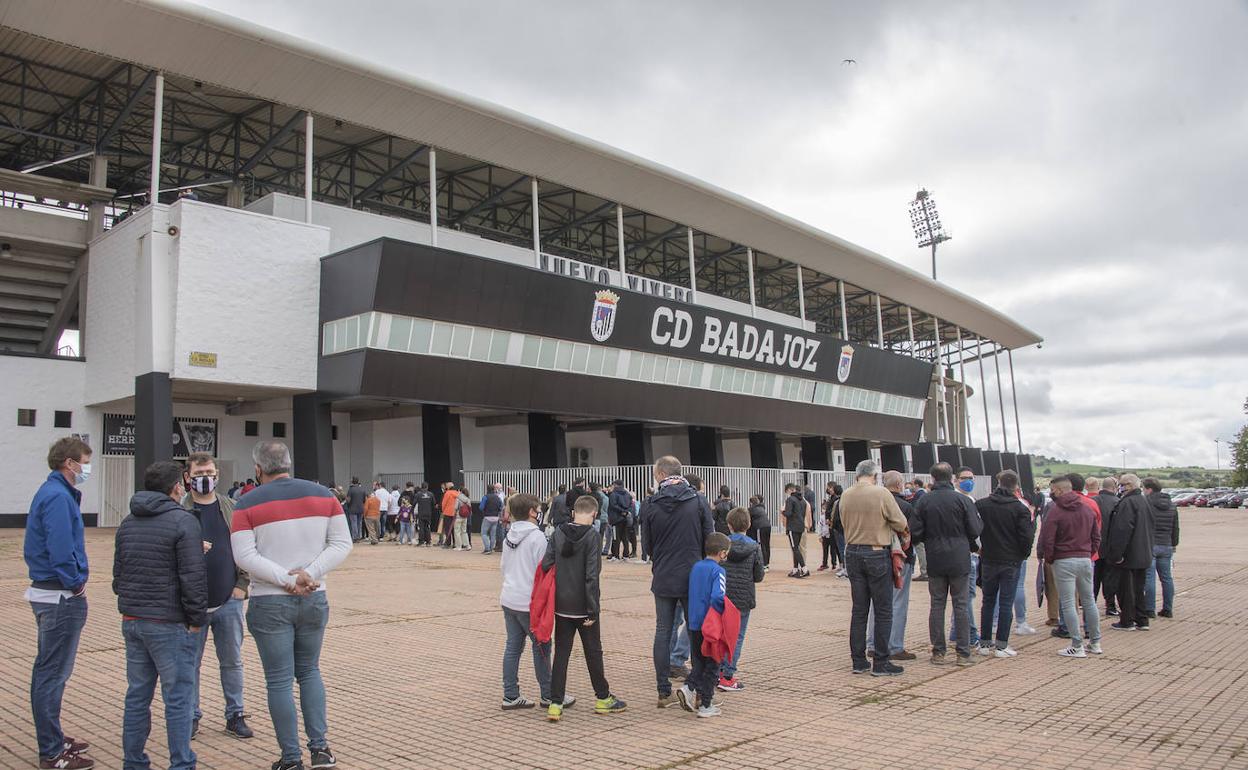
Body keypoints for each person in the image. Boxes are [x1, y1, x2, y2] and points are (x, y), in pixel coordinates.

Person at [231, 441, 353, 770]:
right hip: (314, 596)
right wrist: (309, 574)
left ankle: (291, 757)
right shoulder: (324, 496)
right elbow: (342, 543)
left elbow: (243, 556)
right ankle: (321, 749)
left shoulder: (246, 501)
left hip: (270, 601)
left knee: (279, 681)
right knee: (310, 672)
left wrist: (287, 579)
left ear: (258, 469)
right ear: (288, 463)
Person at [115, 460, 207, 770]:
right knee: (178, 698)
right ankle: (181, 763)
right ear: (176, 488)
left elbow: (118, 576)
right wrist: (196, 620)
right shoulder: (184, 522)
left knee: (138, 695)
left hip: (133, 619)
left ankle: (134, 760)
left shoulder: (128, 522)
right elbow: (193, 578)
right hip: (169, 622)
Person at [25, 436, 96, 770]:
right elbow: (59, 547)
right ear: (70, 463)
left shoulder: (57, 493)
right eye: (84, 460)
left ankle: (53, 737)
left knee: (51, 672)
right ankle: (51, 751)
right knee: (52, 674)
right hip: (59, 596)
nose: (86, 468)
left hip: (53, 594)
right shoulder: (57, 496)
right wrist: (76, 583)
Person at [181, 453, 253, 740]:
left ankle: (235, 714)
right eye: (199, 472)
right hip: (192, 603)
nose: (205, 477)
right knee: (190, 662)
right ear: (187, 477)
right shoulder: (179, 511)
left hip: (228, 600)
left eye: (210, 471)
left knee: (232, 661)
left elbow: (247, 548)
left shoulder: (232, 508)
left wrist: (242, 584)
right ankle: (191, 715)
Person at [542, 496, 626, 721]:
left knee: (561, 653)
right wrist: (593, 609)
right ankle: (603, 697)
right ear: (594, 515)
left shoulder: (558, 533)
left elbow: (545, 563)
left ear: (573, 513)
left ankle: (555, 703)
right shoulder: (592, 536)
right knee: (593, 652)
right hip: (583, 605)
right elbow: (592, 574)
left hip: (561, 605)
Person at [641, 456, 714, 709]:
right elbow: (710, 539)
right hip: (693, 576)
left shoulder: (650, 504)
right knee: (695, 631)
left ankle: (663, 690)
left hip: (663, 575)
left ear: (661, 475)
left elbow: (647, 546)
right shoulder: (697, 500)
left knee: (663, 630)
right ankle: (697, 687)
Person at [499, 493, 571, 710]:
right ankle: (548, 694)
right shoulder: (537, 537)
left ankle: (510, 694)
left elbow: (503, 566)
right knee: (541, 646)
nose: (540, 512)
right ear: (532, 511)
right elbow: (545, 569)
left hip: (509, 597)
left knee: (513, 647)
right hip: (530, 601)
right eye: (538, 509)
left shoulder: (509, 535)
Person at [839, 461, 910, 675]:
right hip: (877, 552)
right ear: (875, 475)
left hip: (852, 552)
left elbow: (841, 522)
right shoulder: (881, 494)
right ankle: (881, 662)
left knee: (859, 609)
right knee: (883, 610)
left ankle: (858, 661)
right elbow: (900, 522)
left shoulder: (846, 495)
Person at [913, 462, 983, 667]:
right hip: (959, 557)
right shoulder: (962, 501)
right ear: (952, 478)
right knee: (960, 605)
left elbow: (915, 532)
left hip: (935, 557)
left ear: (932, 479)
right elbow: (975, 529)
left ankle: (938, 652)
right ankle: (963, 653)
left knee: (937, 604)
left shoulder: (925, 502)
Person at [1038, 476, 1102, 657]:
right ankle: (1095, 642)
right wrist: (1089, 554)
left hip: (1063, 559)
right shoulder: (1086, 508)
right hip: (1084, 559)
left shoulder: (1055, 511)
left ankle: (1077, 644)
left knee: (1068, 603)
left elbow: (1047, 539)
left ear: (1058, 490)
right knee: (1089, 601)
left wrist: (1049, 558)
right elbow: (1096, 536)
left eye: (1052, 490)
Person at [974, 469, 1034, 658]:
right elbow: (1027, 536)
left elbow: (973, 529)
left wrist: (978, 549)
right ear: (1016, 486)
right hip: (1010, 560)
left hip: (989, 558)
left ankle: (984, 643)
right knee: (1006, 602)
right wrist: (1022, 555)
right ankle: (1001, 645)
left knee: (988, 601)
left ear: (998, 483)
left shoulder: (982, 505)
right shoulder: (1020, 509)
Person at [866, 471, 919, 662]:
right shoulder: (905, 506)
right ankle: (894, 645)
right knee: (898, 602)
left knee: (876, 601)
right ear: (899, 485)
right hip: (900, 559)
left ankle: (872, 644)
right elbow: (913, 534)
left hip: (875, 555)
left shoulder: (873, 503)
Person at [677, 532, 731, 717]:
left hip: (693, 622)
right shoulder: (719, 571)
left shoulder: (696, 567)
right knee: (713, 663)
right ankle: (705, 704)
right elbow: (718, 595)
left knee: (698, 661)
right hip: (710, 624)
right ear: (722, 553)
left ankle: (689, 687)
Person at [719, 508, 764, 691]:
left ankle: (717, 671)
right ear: (749, 525)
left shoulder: (723, 545)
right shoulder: (754, 547)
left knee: (721, 635)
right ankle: (728, 675)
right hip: (744, 597)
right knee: (737, 637)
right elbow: (759, 575)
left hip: (723, 596)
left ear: (729, 525)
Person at [1103, 474, 1155, 631]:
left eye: (1122, 485)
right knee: (1139, 588)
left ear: (1129, 485)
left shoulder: (1127, 503)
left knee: (1126, 589)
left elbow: (1122, 530)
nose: (1120, 488)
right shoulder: (1144, 501)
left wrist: (1117, 554)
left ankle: (1127, 620)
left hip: (1129, 554)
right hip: (1143, 551)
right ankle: (1142, 619)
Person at [950, 466, 981, 648]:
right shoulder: (961, 500)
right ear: (956, 479)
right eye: (964, 478)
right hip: (965, 554)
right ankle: (970, 634)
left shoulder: (971, 499)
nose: (968, 481)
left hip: (968, 554)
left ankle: (956, 631)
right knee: (966, 597)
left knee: (964, 596)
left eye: (971, 477)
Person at [1143, 478, 1179, 618]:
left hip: (1150, 544)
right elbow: (1175, 527)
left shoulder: (1146, 503)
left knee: (1149, 577)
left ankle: (1150, 609)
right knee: (1166, 578)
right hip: (1166, 544)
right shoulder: (1171, 505)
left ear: (1149, 489)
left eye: (1144, 488)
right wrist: (1173, 544)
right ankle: (1168, 608)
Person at [1093, 477, 1121, 613]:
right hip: (1111, 547)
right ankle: (1110, 605)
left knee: (1094, 577)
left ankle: (1090, 604)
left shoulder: (1093, 502)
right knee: (1109, 578)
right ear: (1114, 487)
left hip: (1094, 546)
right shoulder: (1118, 502)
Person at [781, 484, 811, 578]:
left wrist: (782, 512)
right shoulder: (802, 500)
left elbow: (788, 513)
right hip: (800, 526)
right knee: (796, 548)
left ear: (790, 490)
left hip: (792, 527)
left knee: (795, 548)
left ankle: (804, 568)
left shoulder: (790, 499)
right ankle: (795, 569)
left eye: (787, 491)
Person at [609, 480, 635, 560]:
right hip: (625, 518)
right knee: (625, 537)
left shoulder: (613, 494)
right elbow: (631, 504)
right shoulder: (627, 494)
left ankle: (615, 555)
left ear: (615, 485)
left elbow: (613, 505)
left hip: (616, 519)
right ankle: (625, 555)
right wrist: (626, 512)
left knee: (616, 537)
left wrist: (621, 511)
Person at [746, 495, 771, 570]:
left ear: (751, 503)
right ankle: (767, 563)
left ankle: (764, 564)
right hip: (768, 526)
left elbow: (747, 519)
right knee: (766, 545)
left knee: (761, 545)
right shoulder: (762, 508)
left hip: (760, 527)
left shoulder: (751, 509)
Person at [481, 483, 505, 555]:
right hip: (496, 518)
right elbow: (501, 507)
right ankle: (491, 548)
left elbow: (481, 507)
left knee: (484, 533)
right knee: (493, 534)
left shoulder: (485, 497)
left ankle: (487, 549)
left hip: (487, 517)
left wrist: (485, 510)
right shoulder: (497, 497)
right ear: (494, 489)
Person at [414, 482, 436, 546]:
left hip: (421, 513)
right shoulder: (431, 494)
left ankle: (421, 541)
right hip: (428, 513)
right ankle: (428, 542)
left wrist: (411, 511)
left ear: (421, 487)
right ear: (427, 487)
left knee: (421, 528)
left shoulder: (418, 494)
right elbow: (433, 503)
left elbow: (414, 503)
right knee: (427, 527)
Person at [439, 482, 458, 548]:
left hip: (447, 513)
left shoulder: (447, 493)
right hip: (455, 513)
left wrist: (443, 510)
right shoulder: (457, 493)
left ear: (448, 487)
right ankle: (455, 543)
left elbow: (444, 503)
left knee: (447, 529)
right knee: (455, 529)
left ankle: (448, 543)